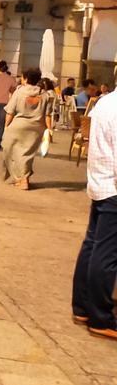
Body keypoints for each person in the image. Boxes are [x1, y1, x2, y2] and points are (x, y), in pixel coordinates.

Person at [72, 88, 117, 341]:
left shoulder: (105, 102)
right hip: (113, 187)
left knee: (92, 245)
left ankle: (82, 306)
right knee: (107, 252)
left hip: (100, 181)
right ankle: (100, 316)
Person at [1, 67, 55, 190]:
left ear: (25, 79)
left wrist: (6, 126)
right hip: (37, 128)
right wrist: (49, 130)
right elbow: (47, 115)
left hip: (18, 126)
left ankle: (22, 179)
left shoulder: (19, 92)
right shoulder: (45, 94)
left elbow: (10, 112)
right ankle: (24, 178)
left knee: (11, 151)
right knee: (27, 154)